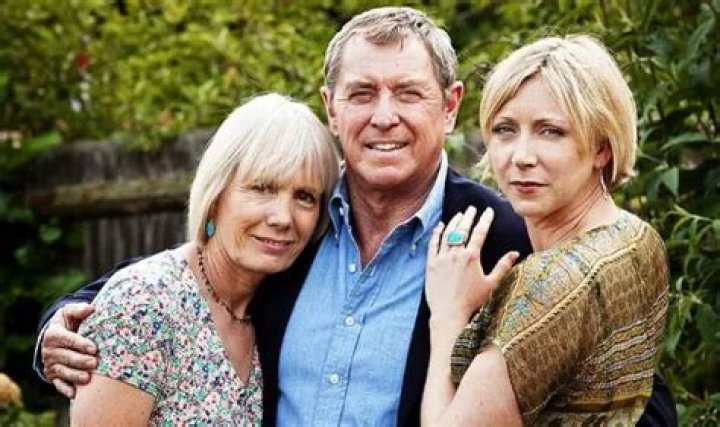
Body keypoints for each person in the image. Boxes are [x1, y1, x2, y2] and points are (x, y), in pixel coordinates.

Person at [35, 8, 673, 426]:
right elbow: (189, 281)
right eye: (363, 93)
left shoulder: (498, 237)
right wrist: (63, 319)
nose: (384, 116)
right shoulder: (294, 222)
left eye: (408, 93)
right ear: (331, 108)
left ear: (450, 106)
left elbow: (616, 379)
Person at [421, 35, 671, 426]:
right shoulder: (637, 237)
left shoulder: (551, 284)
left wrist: (448, 314)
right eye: (505, 130)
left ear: (602, 147)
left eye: (551, 131)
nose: (521, 157)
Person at [67, 93, 340, 424]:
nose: (283, 217)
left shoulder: (276, 309)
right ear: (216, 193)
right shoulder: (145, 303)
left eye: (305, 197)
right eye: (262, 188)